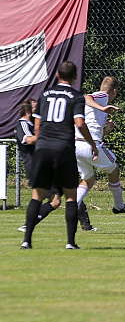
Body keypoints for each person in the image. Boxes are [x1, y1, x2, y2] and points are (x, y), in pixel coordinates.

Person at [21, 61, 99, 249]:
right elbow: (79, 123)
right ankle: (70, 243)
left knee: (37, 196)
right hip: (63, 148)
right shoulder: (76, 96)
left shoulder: (44, 95)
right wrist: (92, 144)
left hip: (43, 148)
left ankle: (26, 241)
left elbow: (37, 126)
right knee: (71, 197)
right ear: (75, 78)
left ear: (57, 75)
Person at [74, 76, 125, 232]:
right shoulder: (103, 96)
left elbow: (92, 128)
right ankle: (119, 206)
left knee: (88, 179)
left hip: (78, 145)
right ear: (114, 91)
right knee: (114, 171)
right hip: (91, 145)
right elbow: (87, 97)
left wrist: (106, 130)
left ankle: (74, 204)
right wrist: (103, 108)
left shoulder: (97, 106)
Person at [14, 98, 62, 232]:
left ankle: (29, 225)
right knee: (54, 200)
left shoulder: (36, 124)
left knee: (57, 197)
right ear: (28, 110)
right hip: (36, 168)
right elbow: (29, 140)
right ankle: (28, 225)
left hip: (45, 167)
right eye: (37, 108)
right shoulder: (23, 125)